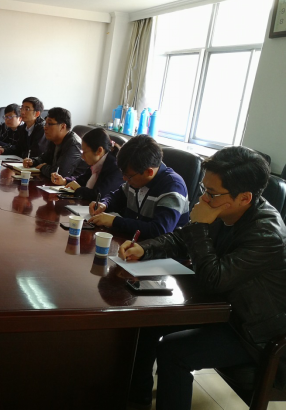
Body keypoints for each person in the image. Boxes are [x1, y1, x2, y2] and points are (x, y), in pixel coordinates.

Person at [119, 146, 286, 410]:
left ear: (244, 198)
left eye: (211, 193)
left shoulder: (266, 234)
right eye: (203, 189)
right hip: (224, 309)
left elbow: (213, 279)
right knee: (147, 322)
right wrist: (145, 248)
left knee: (174, 352)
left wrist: (199, 225)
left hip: (253, 332)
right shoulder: (224, 208)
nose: (203, 198)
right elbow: (182, 239)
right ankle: (135, 397)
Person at [88, 135, 189, 239]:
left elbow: (159, 230)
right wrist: (104, 204)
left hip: (159, 248)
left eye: (128, 176)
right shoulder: (136, 178)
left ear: (149, 172)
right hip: (133, 242)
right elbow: (117, 196)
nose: (124, 179)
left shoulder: (173, 187)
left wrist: (114, 221)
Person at [51, 128, 123, 201]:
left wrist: (78, 189)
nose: (82, 157)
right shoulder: (97, 162)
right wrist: (65, 181)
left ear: (99, 150)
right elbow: (83, 179)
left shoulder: (115, 168)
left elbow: (99, 195)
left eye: (84, 152)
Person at [23, 107, 88, 178]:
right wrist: (33, 161)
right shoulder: (54, 139)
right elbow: (45, 158)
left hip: (71, 183)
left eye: (49, 124)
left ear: (62, 127)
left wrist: (43, 167)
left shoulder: (73, 144)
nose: (45, 127)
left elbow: (60, 173)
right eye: (45, 124)